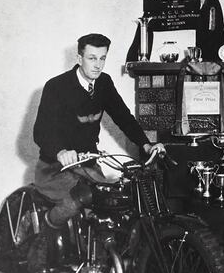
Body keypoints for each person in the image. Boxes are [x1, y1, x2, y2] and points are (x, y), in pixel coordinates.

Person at [33, 33, 164, 229]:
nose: (98, 65)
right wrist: (61, 152)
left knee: (110, 203)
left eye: (102, 58)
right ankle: (43, 234)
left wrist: (146, 144)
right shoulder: (57, 86)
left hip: (88, 166)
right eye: (92, 58)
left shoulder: (103, 83)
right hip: (55, 168)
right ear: (79, 58)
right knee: (74, 202)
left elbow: (123, 117)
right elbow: (41, 130)